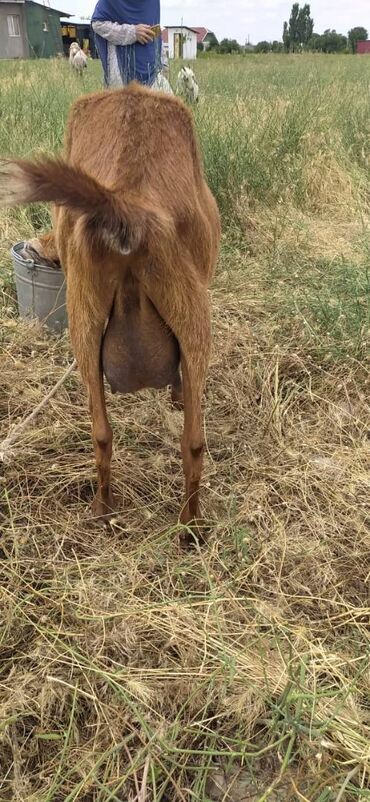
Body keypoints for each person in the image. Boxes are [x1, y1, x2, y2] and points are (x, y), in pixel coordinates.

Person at [91, 0, 172, 92]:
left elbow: (155, 28)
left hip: (152, 68)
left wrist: (163, 62)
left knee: (165, 105)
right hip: (122, 68)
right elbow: (98, 24)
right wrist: (132, 32)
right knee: (125, 105)